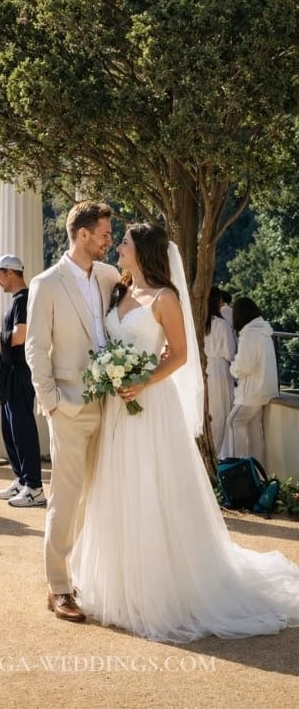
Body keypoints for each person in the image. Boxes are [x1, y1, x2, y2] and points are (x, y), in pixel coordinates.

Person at [72, 223, 299, 641]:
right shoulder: (119, 290)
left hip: (150, 406)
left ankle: (159, 591)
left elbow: (178, 356)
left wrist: (142, 381)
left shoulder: (166, 298)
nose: (118, 247)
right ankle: (121, 583)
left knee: (152, 488)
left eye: (124, 242)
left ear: (143, 251)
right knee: (119, 487)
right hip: (117, 409)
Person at [26, 202, 119, 620]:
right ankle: (58, 587)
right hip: (68, 404)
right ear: (82, 235)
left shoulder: (109, 276)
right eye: (103, 233)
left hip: (112, 405)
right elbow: (35, 347)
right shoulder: (46, 284)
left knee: (99, 495)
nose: (109, 240)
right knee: (65, 497)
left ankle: (88, 576)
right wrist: (52, 402)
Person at [0, 255, 45, 508]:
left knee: (22, 430)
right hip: (11, 375)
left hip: (20, 375)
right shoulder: (18, 301)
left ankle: (34, 486)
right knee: (11, 431)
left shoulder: (24, 299)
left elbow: (20, 335)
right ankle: (22, 480)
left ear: (11, 272)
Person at [224, 297, 279, 466]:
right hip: (264, 391)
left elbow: (245, 366)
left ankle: (237, 471)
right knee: (255, 431)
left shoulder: (249, 334)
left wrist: (233, 367)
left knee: (233, 422)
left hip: (250, 393)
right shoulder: (264, 331)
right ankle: (258, 475)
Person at [204, 285, 236, 458]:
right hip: (218, 370)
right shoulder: (221, 325)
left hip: (203, 368)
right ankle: (217, 455)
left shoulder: (197, 322)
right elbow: (230, 354)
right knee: (220, 414)